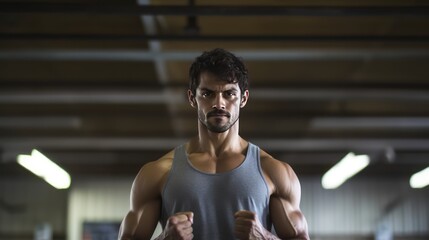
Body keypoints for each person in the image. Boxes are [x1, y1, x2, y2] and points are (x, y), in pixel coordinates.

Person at [118, 48, 309, 240]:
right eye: (207, 94)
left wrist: (264, 237)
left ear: (243, 98)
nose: (219, 103)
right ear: (193, 98)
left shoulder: (274, 172)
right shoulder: (158, 172)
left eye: (229, 94)